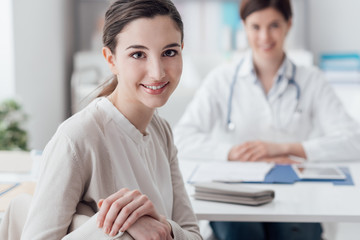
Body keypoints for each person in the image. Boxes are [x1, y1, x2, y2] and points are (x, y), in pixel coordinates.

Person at [9, 0, 202, 239]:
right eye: (138, 54)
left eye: (169, 52)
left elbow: (194, 234)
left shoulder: (161, 130)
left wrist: (164, 228)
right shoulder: (77, 138)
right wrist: (114, 225)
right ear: (111, 60)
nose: (157, 72)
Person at [174, 0, 360, 239]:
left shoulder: (312, 80)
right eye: (255, 27)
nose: (265, 36)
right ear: (244, 26)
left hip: (296, 195)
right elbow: (182, 138)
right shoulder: (221, 80)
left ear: (288, 25)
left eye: (274, 25)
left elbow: (354, 140)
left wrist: (287, 148)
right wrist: (232, 152)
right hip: (236, 194)